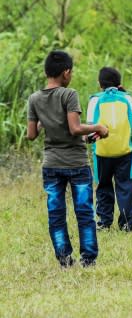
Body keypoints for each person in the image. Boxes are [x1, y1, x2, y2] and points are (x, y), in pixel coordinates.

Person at [26, 50, 109, 268]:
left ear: (46, 72)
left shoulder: (34, 99)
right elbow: (75, 128)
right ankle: (88, 259)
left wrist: (46, 120)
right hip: (76, 164)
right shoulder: (68, 94)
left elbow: (31, 134)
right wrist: (99, 127)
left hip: (51, 165)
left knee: (56, 214)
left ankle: (64, 259)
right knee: (84, 212)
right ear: (66, 72)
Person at [86, 67, 132, 232]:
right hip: (125, 152)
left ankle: (104, 223)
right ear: (120, 83)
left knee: (103, 186)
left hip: (101, 153)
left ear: (100, 84)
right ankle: (127, 223)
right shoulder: (126, 98)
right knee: (126, 186)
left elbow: (91, 125)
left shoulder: (94, 100)